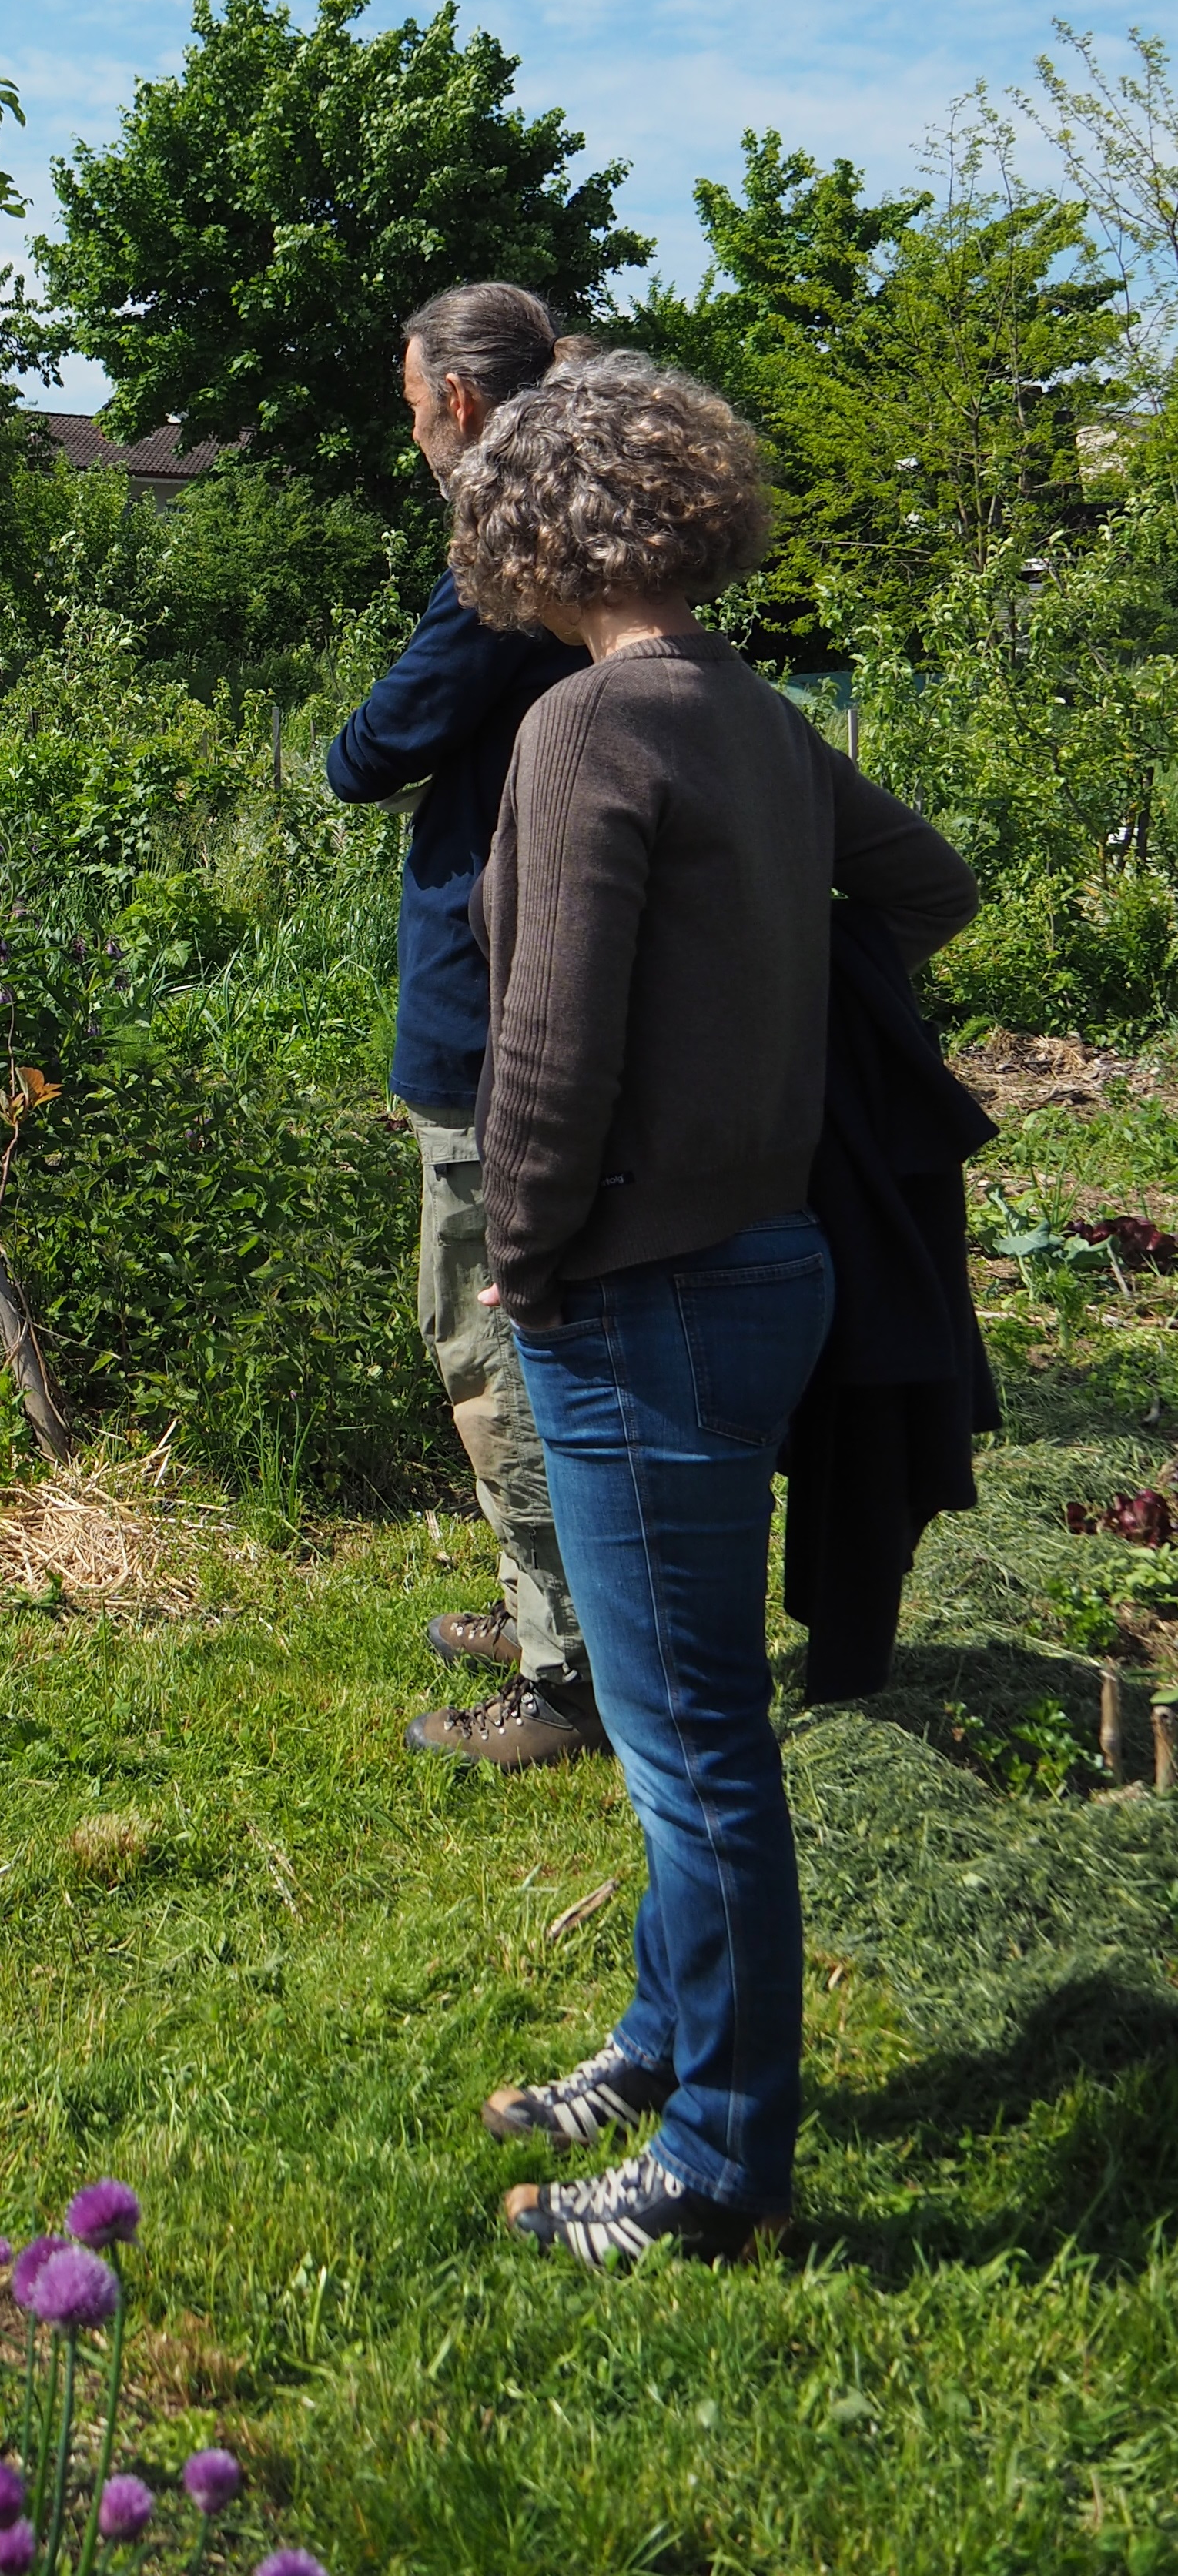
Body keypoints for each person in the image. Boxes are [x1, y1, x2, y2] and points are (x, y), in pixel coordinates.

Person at [456, 352, 977, 2268]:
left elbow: (547, 1038)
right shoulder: (754, 715)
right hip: (770, 1263)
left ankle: (718, 2165)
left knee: (690, 1745)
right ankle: (663, 2037)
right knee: (692, 1704)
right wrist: (770, 990)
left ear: (529, 528)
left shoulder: (589, 728)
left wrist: (522, 1241)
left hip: (639, 1289)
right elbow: (932, 879)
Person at [324, 283, 601, 1768]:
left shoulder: (503, 568)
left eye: (410, 387)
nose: (406, 414)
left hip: (487, 1003)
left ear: (462, 405)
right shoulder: (599, 550)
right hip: (549, 982)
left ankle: (563, 1673)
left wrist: (340, 744)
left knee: (495, 1336)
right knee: (527, 1323)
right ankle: (544, 1601)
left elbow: (375, 748)